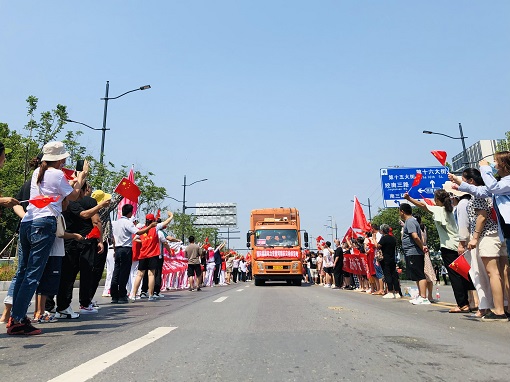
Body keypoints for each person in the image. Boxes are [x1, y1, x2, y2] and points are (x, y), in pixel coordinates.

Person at [7, 141, 88, 335]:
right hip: (44, 223)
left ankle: (15, 316)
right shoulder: (58, 174)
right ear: (60, 159)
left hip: (28, 222)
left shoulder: (38, 173)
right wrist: (81, 177)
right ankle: (18, 320)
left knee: (23, 271)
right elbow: (75, 197)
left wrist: (70, 184)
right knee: (33, 274)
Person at [450, 167, 508, 322]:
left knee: (492, 273)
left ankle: (499, 310)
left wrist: (474, 237)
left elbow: (481, 216)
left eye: (463, 179)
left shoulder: (478, 195)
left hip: (487, 236)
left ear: (471, 181)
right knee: (503, 272)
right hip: (499, 234)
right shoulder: (491, 191)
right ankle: (506, 307)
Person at [404, 191, 475, 310]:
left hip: (448, 247)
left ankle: (462, 304)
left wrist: (409, 198)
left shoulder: (440, 210)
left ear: (437, 200)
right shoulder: (453, 209)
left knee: (454, 276)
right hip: (461, 244)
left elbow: (423, 206)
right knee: (465, 274)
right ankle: (472, 302)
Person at [56, 181, 108, 317]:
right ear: (86, 189)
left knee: (67, 275)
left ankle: (62, 306)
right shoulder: (89, 201)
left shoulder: (65, 200)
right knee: (86, 274)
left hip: (68, 240)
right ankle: (85, 303)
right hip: (86, 241)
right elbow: (96, 221)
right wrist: (100, 241)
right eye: (89, 188)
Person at [110, 204, 156, 303]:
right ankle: (122, 295)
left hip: (117, 248)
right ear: (130, 213)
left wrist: (114, 249)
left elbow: (113, 238)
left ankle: (114, 296)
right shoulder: (128, 223)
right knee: (124, 272)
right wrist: (150, 227)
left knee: (116, 272)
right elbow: (138, 233)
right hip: (126, 249)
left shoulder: (116, 223)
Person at [130, 212, 174, 301]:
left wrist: (144, 241)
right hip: (153, 255)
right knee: (151, 275)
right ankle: (150, 295)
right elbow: (166, 222)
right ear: (153, 220)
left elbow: (135, 239)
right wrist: (171, 216)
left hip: (143, 254)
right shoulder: (155, 228)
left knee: (139, 274)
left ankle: (133, 295)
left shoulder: (142, 229)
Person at [398, 202, 429, 305]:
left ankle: (424, 297)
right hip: (411, 252)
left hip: (414, 252)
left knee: (420, 275)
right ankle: (420, 295)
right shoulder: (409, 221)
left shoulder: (410, 221)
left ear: (402, 211)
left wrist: (422, 247)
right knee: (416, 275)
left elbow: (415, 236)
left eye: (399, 211)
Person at [378, 224, 401, 299]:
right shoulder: (393, 238)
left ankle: (390, 291)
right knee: (394, 275)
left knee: (387, 275)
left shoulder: (384, 238)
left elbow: (378, 246)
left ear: (382, 231)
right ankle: (397, 292)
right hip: (392, 258)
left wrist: (374, 239)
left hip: (385, 259)